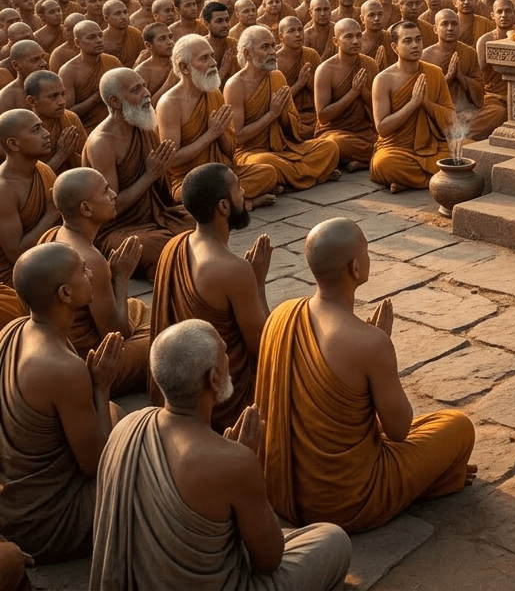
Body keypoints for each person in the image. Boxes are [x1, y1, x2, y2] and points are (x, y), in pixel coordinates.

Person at [92, 319, 351, 590]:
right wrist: (246, 464)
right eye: (224, 353)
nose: (228, 359)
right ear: (214, 378)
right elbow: (269, 559)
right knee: (333, 540)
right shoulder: (234, 462)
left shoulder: (127, 426)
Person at [255, 218, 475, 532]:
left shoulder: (282, 315)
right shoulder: (371, 344)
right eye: (367, 251)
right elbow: (398, 430)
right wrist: (381, 356)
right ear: (356, 268)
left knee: (422, 430)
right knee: (457, 426)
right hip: (348, 501)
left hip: (279, 491)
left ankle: (431, 477)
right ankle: (432, 481)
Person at [0, 243, 123, 562]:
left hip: (15, 501)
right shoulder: (61, 367)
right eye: (83, 270)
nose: (91, 273)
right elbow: (95, 464)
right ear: (65, 294)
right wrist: (101, 386)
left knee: (117, 417)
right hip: (49, 520)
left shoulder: (15, 329)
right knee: (155, 473)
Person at [150, 164, 272, 431]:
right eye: (238, 188)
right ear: (224, 207)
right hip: (224, 399)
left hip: (181, 388)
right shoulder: (234, 270)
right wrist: (258, 283)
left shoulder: (174, 245)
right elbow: (263, 350)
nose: (244, 192)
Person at [41, 168, 150, 396]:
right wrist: (120, 278)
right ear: (86, 208)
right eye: (105, 191)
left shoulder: (51, 235)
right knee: (163, 336)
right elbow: (117, 334)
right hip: (92, 363)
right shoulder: (89, 259)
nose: (113, 195)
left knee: (136, 307)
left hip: (56, 350)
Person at [81, 67, 193, 278]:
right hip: (118, 229)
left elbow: (163, 196)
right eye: (136, 90)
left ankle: (173, 264)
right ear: (115, 101)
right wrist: (150, 175)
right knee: (158, 246)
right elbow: (110, 208)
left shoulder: (142, 124)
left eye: (144, 85)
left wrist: (159, 172)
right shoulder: (102, 143)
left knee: (206, 218)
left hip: (156, 216)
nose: (146, 93)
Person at [157, 34, 279, 206]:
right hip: (190, 180)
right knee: (193, 195)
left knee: (269, 173)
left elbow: (230, 151)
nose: (213, 63)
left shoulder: (214, 93)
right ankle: (244, 203)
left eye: (212, 56)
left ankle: (229, 203)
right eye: (204, 58)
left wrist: (221, 133)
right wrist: (211, 134)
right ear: (184, 67)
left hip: (221, 173)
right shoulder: (169, 104)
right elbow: (172, 160)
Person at [224, 26, 340, 190]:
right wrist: (272, 114)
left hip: (284, 148)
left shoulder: (277, 76)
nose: (272, 51)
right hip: (252, 153)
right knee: (265, 165)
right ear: (247, 54)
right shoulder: (235, 85)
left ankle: (288, 179)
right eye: (265, 47)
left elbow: (293, 126)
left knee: (330, 147)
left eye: (273, 45)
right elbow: (239, 137)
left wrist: (284, 113)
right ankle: (311, 174)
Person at [370, 20, 455, 193]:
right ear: (395, 47)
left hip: (433, 146)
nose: (415, 45)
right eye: (407, 41)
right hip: (398, 149)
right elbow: (382, 128)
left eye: (418, 39)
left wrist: (427, 104)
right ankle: (434, 179)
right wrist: (413, 104)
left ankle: (411, 182)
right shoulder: (383, 79)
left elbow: (451, 119)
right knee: (383, 163)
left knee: (468, 149)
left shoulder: (435, 73)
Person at [422, 8, 504, 141]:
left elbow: (479, 91)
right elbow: (424, 95)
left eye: (454, 24)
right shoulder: (425, 56)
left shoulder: (469, 53)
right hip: (440, 115)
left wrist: (461, 77)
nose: (450, 28)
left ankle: (453, 134)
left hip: (466, 114)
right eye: (445, 24)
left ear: (459, 27)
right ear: (435, 29)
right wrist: (447, 78)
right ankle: (454, 134)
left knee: (498, 112)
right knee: (425, 121)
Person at [0, 110, 59, 286]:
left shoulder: (42, 169)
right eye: (36, 130)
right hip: (15, 275)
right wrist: (51, 215)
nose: (46, 134)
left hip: (47, 257)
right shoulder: (4, 190)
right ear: (13, 144)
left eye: (43, 127)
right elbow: (15, 254)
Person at [313, 18, 378, 171]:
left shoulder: (370, 64)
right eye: (348, 37)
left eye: (359, 36)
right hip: (335, 132)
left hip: (364, 133)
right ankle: (367, 159)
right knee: (334, 144)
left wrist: (363, 92)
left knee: (394, 141)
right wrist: (353, 93)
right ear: (336, 41)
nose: (355, 41)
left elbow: (376, 107)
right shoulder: (325, 70)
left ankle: (360, 161)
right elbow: (323, 116)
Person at [58, 20, 121, 133]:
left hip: (117, 125)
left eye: (100, 36)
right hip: (87, 130)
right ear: (77, 43)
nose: (98, 41)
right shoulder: (68, 71)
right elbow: (67, 113)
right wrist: (98, 96)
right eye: (91, 37)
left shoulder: (112, 61)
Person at [24, 69, 86, 175]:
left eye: (63, 94)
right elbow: (27, 180)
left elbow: (88, 165)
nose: (62, 102)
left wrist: (71, 154)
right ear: (32, 101)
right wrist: (61, 155)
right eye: (53, 96)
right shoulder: (23, 129)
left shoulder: (70, 119)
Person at [277, 16, 319, 138]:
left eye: (300, 30)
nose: (298, 34)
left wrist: (309, 82)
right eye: (291, 31)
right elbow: (277, 103)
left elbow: (322, 92)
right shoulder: (275, 61)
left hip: (312, 114)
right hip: (289, 116)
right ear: (281, 37)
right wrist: (299, 84)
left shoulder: (311, 54)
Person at [0, 40, 49, 114]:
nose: (43, 63)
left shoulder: (52, 85)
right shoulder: (6, 98)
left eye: (43, 57)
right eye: (35, 60)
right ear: (16, 65)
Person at [135, 21, 178, 105]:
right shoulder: (141, 73)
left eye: (170, 37)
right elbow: (143, 109)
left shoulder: (179, 64)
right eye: (162, 39)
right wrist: (168, 84)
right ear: (148, 45)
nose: (170, 42)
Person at [100, 0, 144, 68]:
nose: (123, 17)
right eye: (117, 14)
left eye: (125, 12)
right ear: (106, 18)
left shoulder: (135, 34)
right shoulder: (101, 40)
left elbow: (143, 59)